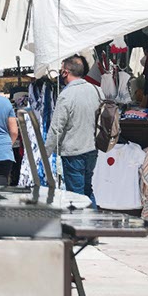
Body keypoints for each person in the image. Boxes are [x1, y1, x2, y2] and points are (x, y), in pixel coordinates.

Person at [46, 54, 102, 206]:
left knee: (76, 195)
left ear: (65, 72)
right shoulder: (97, 91)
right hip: (92, 148)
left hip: (73, 152)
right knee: (87, 190)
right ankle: (95, 224)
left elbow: (56, 128)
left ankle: (83, 227)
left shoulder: (66, 95)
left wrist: (46, 153)